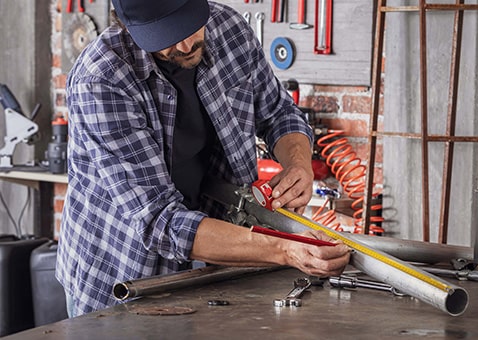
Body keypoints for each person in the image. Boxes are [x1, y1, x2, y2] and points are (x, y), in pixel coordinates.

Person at [56, 0, 350, 317]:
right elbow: (159, 221)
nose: (185, 44)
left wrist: (298, 164)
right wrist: (284, 248)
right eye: (165, 35)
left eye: (189, 24)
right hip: (121, 272)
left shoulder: (230, 30)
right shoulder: (101, 79)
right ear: (128, 27)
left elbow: (278, 114)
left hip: (215, 265)